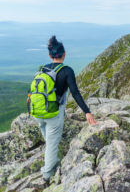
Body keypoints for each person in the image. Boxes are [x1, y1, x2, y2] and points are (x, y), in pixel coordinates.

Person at [33, 35, 98, 184]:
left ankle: (54, 164)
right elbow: (75, 93)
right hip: (53, 114)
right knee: (51, 144)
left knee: (49, 141)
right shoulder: (67, 71)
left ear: (50, 55)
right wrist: (87, 111)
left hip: (38, 112)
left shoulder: (42, 68)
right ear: (64, 54)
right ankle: (47, 176)